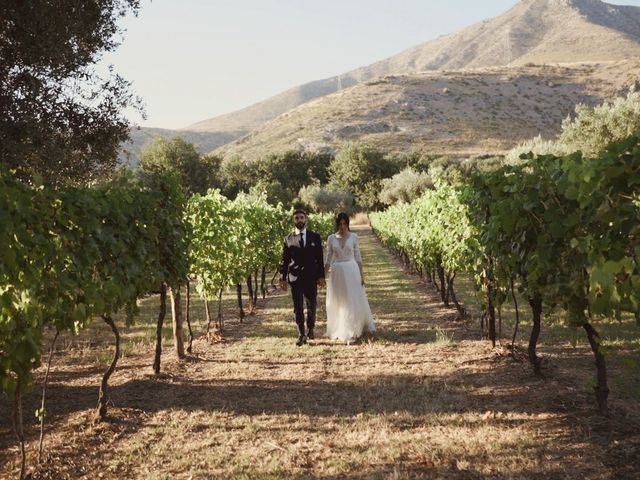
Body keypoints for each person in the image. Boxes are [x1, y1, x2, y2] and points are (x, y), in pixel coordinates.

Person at [325, 212, 375, 343]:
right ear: (337, 224)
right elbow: (328, 257)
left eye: (344, 223)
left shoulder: (353, 237)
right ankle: (339, 327)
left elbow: (358, 257)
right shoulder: (331, 238)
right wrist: (323, 275)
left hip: (351, 270)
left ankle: (353, 330)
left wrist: (361, 275)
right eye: (340, 224)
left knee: (351, 300)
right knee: (339, 300)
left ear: (347, 224)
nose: (342, 226)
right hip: (337, 272)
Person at [279, 209, 326, 346]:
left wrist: (321, 276)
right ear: (293, 221)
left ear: (305, 220)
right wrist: (282, 277)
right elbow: (285, 260)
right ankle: (301, 334)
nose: (299, 220)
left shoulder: (315, 237)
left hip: (311, 277)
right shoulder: (288, 239)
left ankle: (310, 328)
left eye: (301, 217)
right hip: (295, 278)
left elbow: (319, 259)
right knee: (297, 306)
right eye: (296, 218)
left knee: (312, 304)